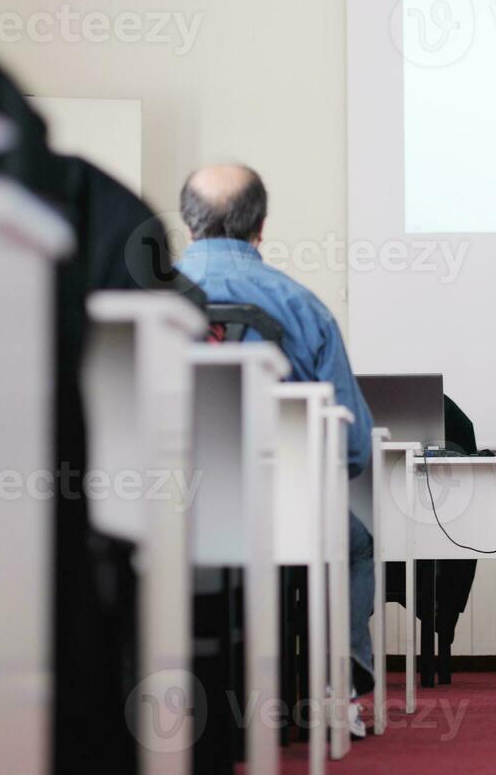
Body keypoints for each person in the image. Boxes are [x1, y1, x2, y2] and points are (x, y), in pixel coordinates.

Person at [176, 164, 377, 729]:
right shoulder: (303, 307)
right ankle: (334, 692)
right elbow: (354, 448)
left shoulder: (137, 301)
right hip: (283, 513)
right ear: (259, 226)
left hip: (167, 511)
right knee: (355, 542)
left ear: (187, 226)